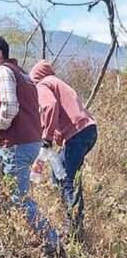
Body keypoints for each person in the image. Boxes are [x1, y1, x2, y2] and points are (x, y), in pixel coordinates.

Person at [0, 35, 61, 256]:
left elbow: (11, 109)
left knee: (20, 198)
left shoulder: (3, 71)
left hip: (18, 145)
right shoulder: (21, 73)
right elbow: (18, 107)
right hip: (28, 142)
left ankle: (53, 242)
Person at [30, 60, 97, 241]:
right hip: (88, 131)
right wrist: (56, 135)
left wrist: (47, 138)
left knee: (68, 179)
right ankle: (69, 219)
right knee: (59, 173)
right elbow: (64, 112)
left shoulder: (42, 84)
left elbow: (50, 106)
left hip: (79, 134)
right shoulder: (56, 83)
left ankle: (74, 228)